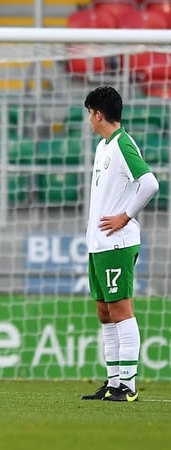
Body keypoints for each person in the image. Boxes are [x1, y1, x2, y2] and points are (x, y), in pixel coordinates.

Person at [79, 86, 158, 402]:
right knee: (104, 311)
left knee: (121, 310)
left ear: (98, 114)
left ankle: (128, 385)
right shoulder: (103, 147)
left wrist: (125, 216)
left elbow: (150, 183)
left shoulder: (123, 144)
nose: (89, 119)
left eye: (89, 113)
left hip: (117, 243)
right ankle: (113, 381)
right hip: (98, 243)